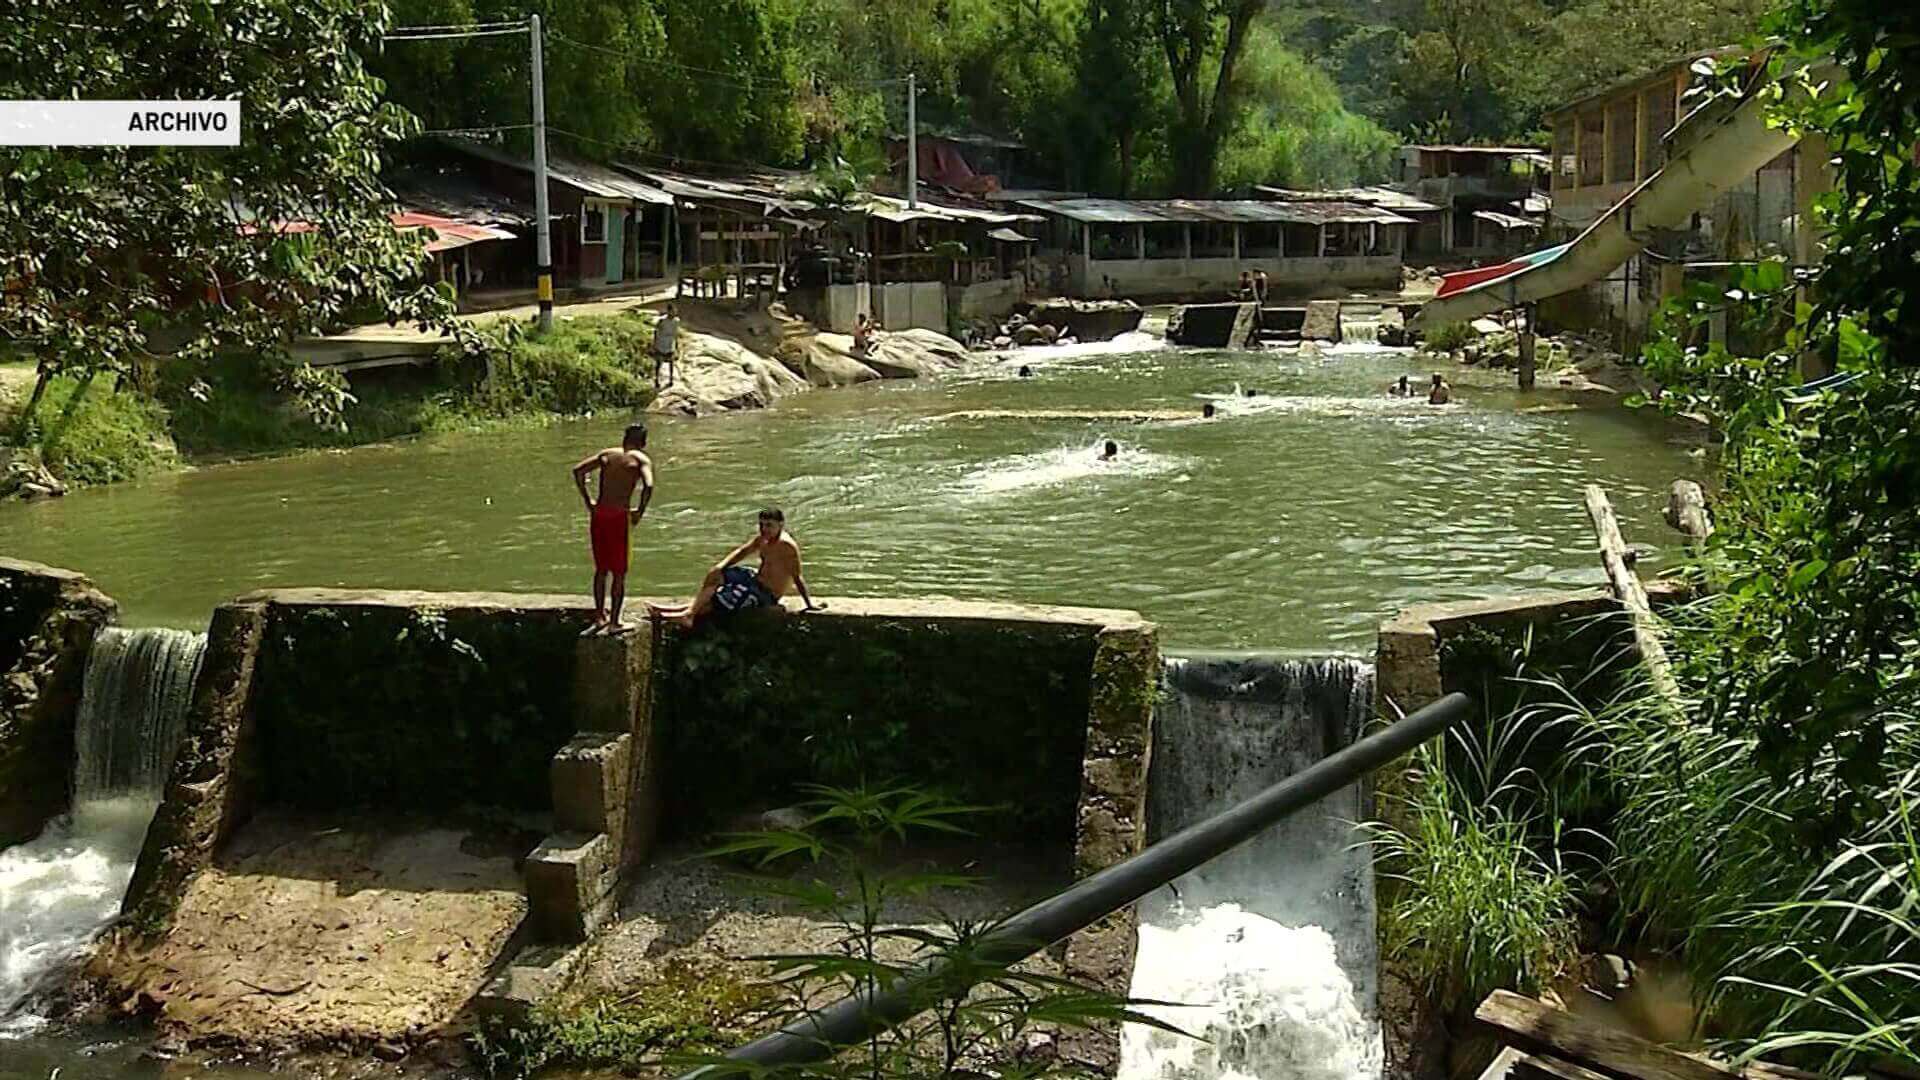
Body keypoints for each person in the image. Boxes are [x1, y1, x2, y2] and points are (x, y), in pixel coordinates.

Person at [649, 508, 821, 629]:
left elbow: (797, 576)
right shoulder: (762, 539)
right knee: (715, 575)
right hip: (755, 579)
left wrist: (809, 603)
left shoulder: (787, 546)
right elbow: (743, 551)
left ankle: (687, 613)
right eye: (761, 525)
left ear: (781, 525)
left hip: (766, 594)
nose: (764, 529)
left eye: (769, 525)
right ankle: (689, 611)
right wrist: (721, 566)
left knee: (723, 599)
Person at [571, 424, 655, 635]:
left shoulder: (607, 454)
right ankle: (615, 622)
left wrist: (588, 500)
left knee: (601, 569)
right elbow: (649, 485)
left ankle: (600, 617)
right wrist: (640, 511)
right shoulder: (640, 459)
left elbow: (578, 471)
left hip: (600, 514)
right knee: (619, 571)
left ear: (624, 438)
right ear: (643, 442)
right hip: (619, 517)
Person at [651, 304, 680, 389]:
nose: (674, 312)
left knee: (671, 362)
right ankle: (656, 380)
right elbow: (656, 331)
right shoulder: (662, 320)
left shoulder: (676, 321)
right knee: (659, 363)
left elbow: (676, 333)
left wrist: (676, 345)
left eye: (674, 311)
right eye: (672, 311)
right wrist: (654, 343)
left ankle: (671, 379)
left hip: (670, 343)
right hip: (661, 343)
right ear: (668, 311)